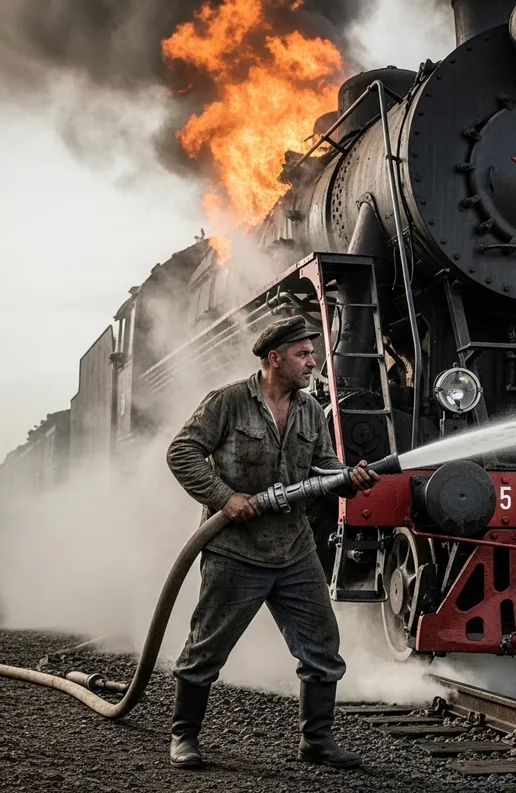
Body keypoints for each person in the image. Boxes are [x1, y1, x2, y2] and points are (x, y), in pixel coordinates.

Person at [165, 315, 380, 770]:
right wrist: (225, 498)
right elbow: (181, 451)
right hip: (235, 550)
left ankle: (316, 742)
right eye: (303, 354)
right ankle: (184, 738)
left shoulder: (309, 411)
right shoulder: (228, 402)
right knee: (206, 649)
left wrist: (349, 479)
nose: (312, 362)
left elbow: (322, 467)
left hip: (294, 549)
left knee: (322, 648)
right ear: (274, 358)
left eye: (312, 354)